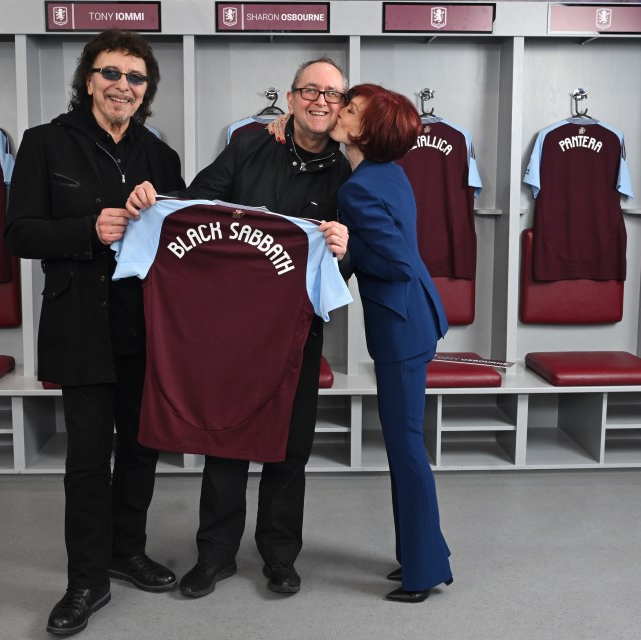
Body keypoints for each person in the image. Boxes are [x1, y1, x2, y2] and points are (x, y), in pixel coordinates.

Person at [125, 57, 350, 598]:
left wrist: (345, 249)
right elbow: (196, 205)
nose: (320, 100)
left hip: (297, 330)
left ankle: (279, 556)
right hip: (230, 330)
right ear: (292, 98)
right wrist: (151, 202)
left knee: (289, 447)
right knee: (227, 438)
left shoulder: (349, 175)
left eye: (332, 94)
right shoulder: (250, 146)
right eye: (310, 90)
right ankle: (216, 555)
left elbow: (345, 268)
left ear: (342, 107)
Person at [4, 30, 186, 636]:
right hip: (79, 323)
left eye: (136, 79)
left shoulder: (161, 157)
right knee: (87, 458)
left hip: (145, 324)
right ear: (89, 79)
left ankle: (125, 551)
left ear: (146, 91)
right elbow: (20, 235)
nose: (123, 87)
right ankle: (85, 580)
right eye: (111, 74)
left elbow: (182, 240)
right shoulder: (44, 144)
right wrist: (90, 229)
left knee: (140, 448)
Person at [330, 83, 453, 603]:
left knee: (405, 450)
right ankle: (424, 557)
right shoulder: (388, 174)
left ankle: (424, 571)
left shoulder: (359, 188)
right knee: (406, 447)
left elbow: (398, 261)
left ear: (367, 130)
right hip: (414, 320)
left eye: (350, 109)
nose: (339, 111)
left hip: (400, 329)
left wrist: (348, 245)